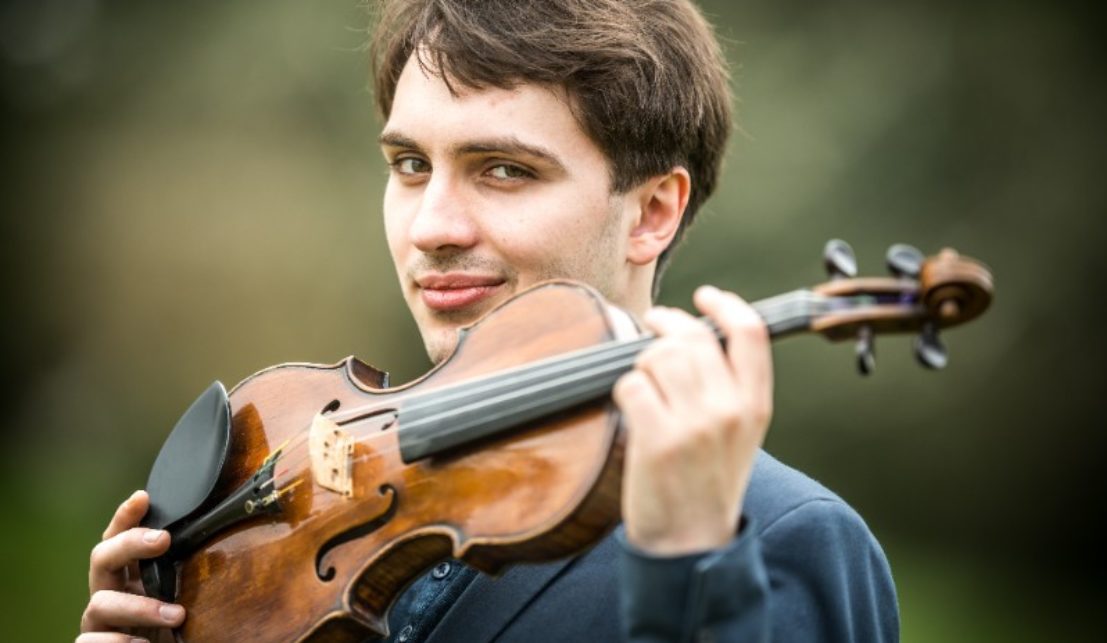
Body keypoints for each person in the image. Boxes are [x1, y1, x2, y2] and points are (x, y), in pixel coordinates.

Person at [78, 1, 899, 641]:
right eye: (409, 165)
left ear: (652, 212)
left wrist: (689, 558)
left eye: (503, 169)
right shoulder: (328, 508)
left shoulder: (788, 537)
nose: (431, 225)